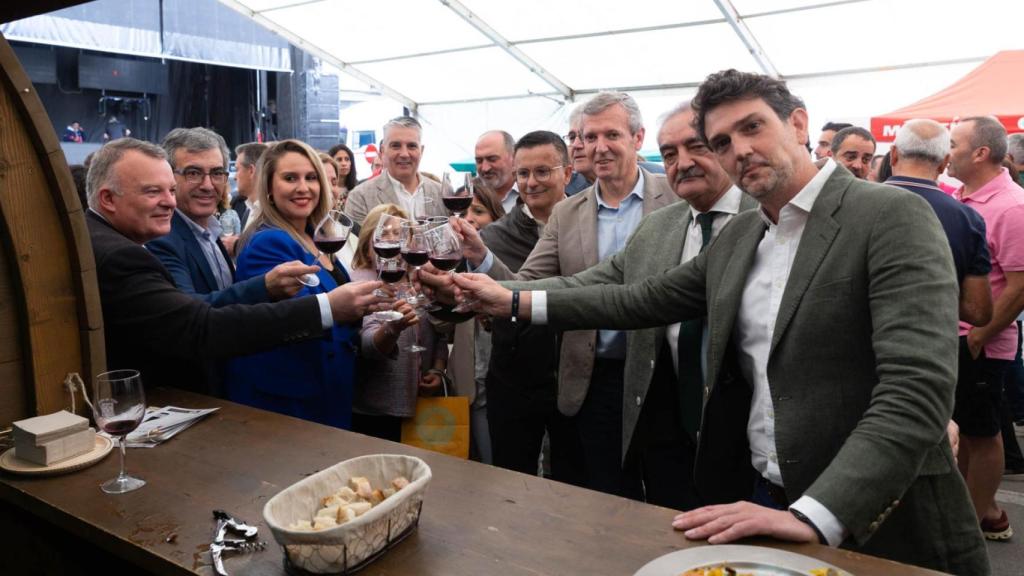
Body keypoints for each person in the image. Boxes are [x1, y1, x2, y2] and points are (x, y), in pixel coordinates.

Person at [448, 69, 987, 574]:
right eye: (723, 141)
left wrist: (816, 513)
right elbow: (634, 298)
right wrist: (506, 299)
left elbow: (916, 390)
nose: (740, 150)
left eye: (752, 127)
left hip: (884, 526)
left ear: (798, 124)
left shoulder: (890, 214)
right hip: (764, 499)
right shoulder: (742, 235)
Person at [462, 91, 677, 497]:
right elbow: (529, 283)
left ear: (637, 137)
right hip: (596, 378)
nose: (598, 146)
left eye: (611, 134)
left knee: (669, 492)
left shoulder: (675, 196)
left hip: (665, 374)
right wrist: (480, 266)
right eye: (588, 136)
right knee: (606, 496)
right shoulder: (569, 212)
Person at [86, 138, 387, 396]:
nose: (170, 202)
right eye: (153, 191)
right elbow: (197, 325)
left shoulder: (199, 234)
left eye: (171, 190)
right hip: (276, 395)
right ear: (108, 199)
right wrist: (325, 307)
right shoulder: (123, 256)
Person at [226, 140, 365, 429]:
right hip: (290, 401)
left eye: (311, 178)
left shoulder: (316, 236)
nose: (303, 188)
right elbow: (291, 320)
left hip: (327, 389)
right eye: (290, 178)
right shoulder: (269, 241)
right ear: (269, 187)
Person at [948, 115, 1024, 541]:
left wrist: (980, 335)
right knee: (965, 429)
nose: (947, 151)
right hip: (960, 336)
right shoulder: (961, 196)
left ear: (980, 153)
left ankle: (972, 525)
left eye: (953, 143)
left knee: (983, 433)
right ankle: (979, 512)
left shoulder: (1012, 206)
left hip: (982, 342)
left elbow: (1020, 285)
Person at [350, 204, 445, 442]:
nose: (393, 240)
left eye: (400, 234)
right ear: (368, 245)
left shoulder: (419, 282)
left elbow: (439, 331)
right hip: (376, 411)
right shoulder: (358, 286)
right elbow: (367, 346)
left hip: (423, 406)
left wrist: (437, 369)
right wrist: (393, 328)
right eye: (384, 233)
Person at [885, 119, 992, 324]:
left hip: (866, 337)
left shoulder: (855, 204)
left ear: (893, 154)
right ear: (944, 163)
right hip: (933, 334)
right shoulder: (968, 219)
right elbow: (978, 312)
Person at [445, 180, 504, 464]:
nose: (468, 219)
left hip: (506, 379)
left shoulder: (506, 261)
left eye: (478, 211)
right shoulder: (449, 258)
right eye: (463, 212)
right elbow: (442, 325)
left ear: (496, 216)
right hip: (472, 382)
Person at [344, 117, 446, 224]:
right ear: (383, 151)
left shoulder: (441, 194)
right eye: (396, 146)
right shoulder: (360, 197)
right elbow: (360, 235)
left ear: (422, 151)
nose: (404, 154)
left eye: (412, 146)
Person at [475, 131, 518, 213]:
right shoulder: (469, 196)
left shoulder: (531, 194)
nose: (485, 168)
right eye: (479, 161)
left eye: (492, 159)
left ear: (513, 157)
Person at [233, 142, 268, 230]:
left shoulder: (272, 215)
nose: (234, 177)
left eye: (237, 169)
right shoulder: (249, 209)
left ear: (251, 170)